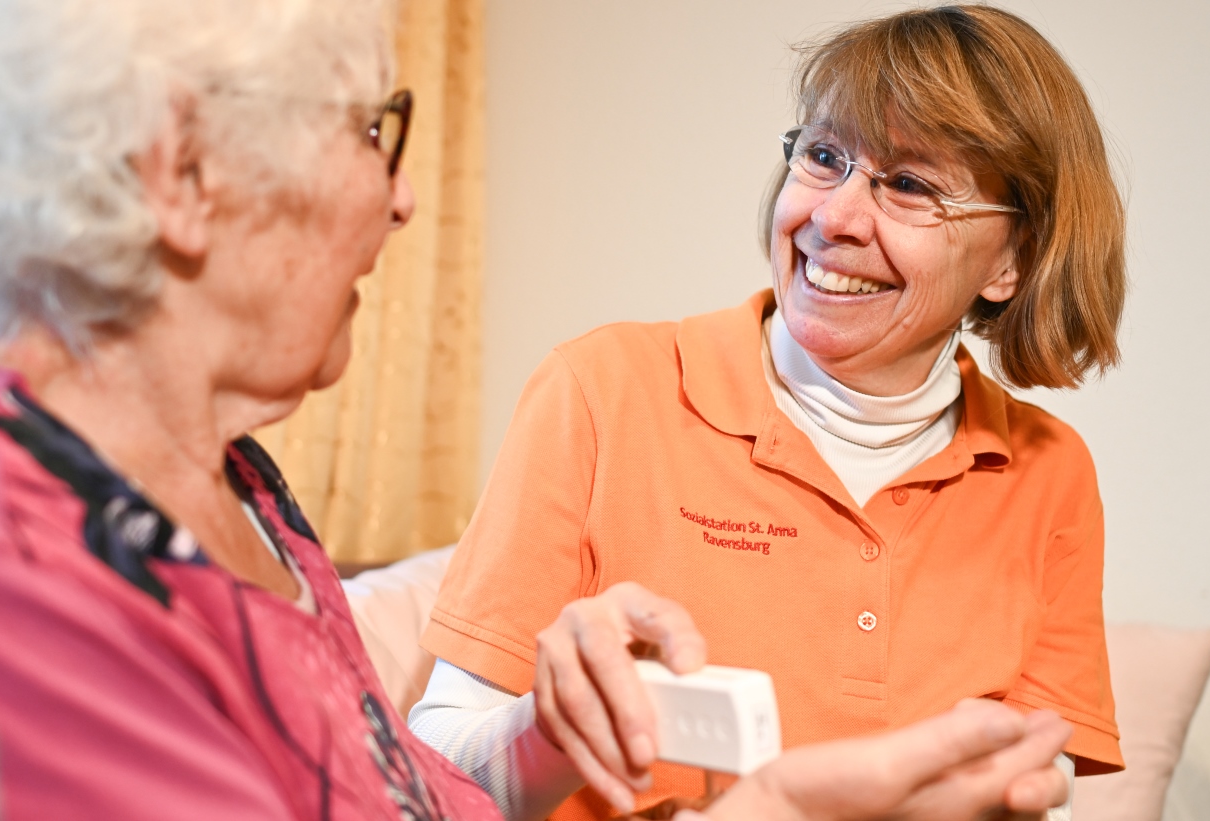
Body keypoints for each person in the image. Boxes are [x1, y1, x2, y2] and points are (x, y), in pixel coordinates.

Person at [0, 0, 1077, 819]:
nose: (401, 200)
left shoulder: (246, 501)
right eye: (370, 130)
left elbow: (411, 798)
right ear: (182, 173)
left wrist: (559, 734)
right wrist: (781, 804)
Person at [413, 6, 1130, 819]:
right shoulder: (602, 388)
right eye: (825, 156)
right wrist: (550, 726)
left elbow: (1042, 782)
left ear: (1011, 259)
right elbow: (428, 776)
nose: (833, 217)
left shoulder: (1048, 469)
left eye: (909, 185)